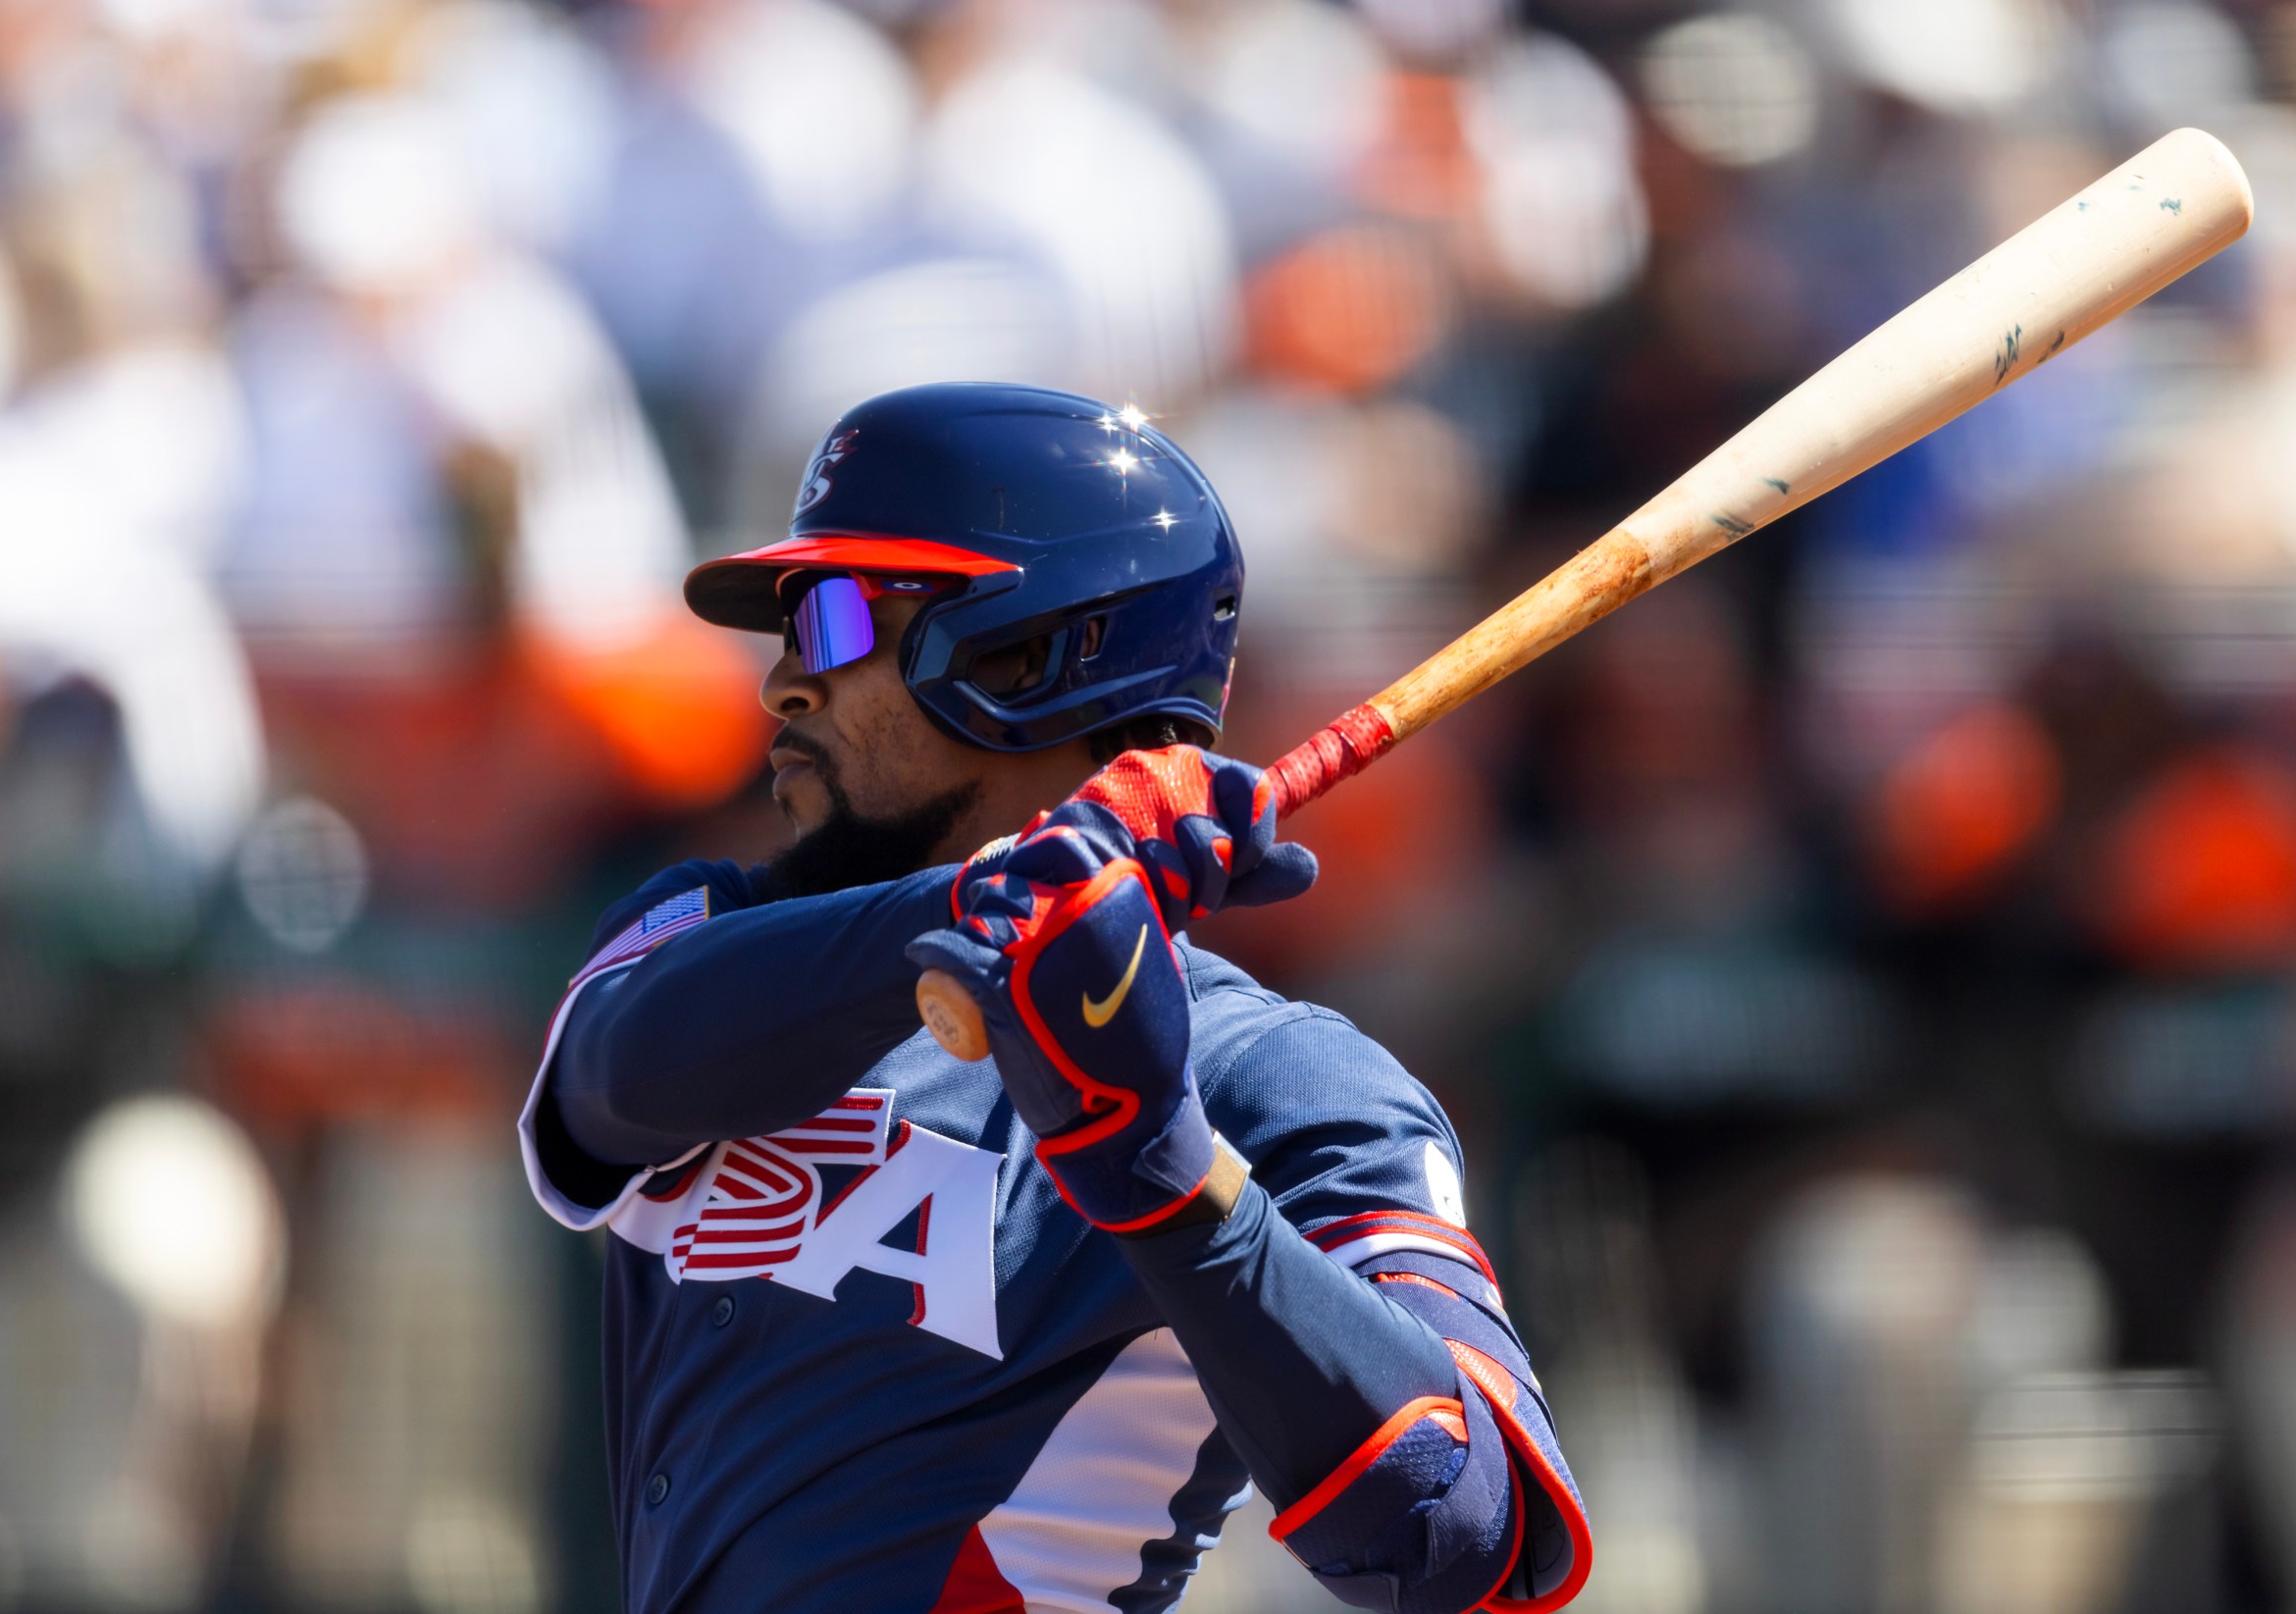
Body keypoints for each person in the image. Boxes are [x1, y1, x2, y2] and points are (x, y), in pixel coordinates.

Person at [516, 383, 1592, 1613]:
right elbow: (604, 1087)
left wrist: (1172, 1185)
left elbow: (1474, 1531)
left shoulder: (1266, 1072)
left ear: (1027, 658)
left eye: (832, 622)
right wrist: (986, 904)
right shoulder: (715, 939)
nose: (782, 688)